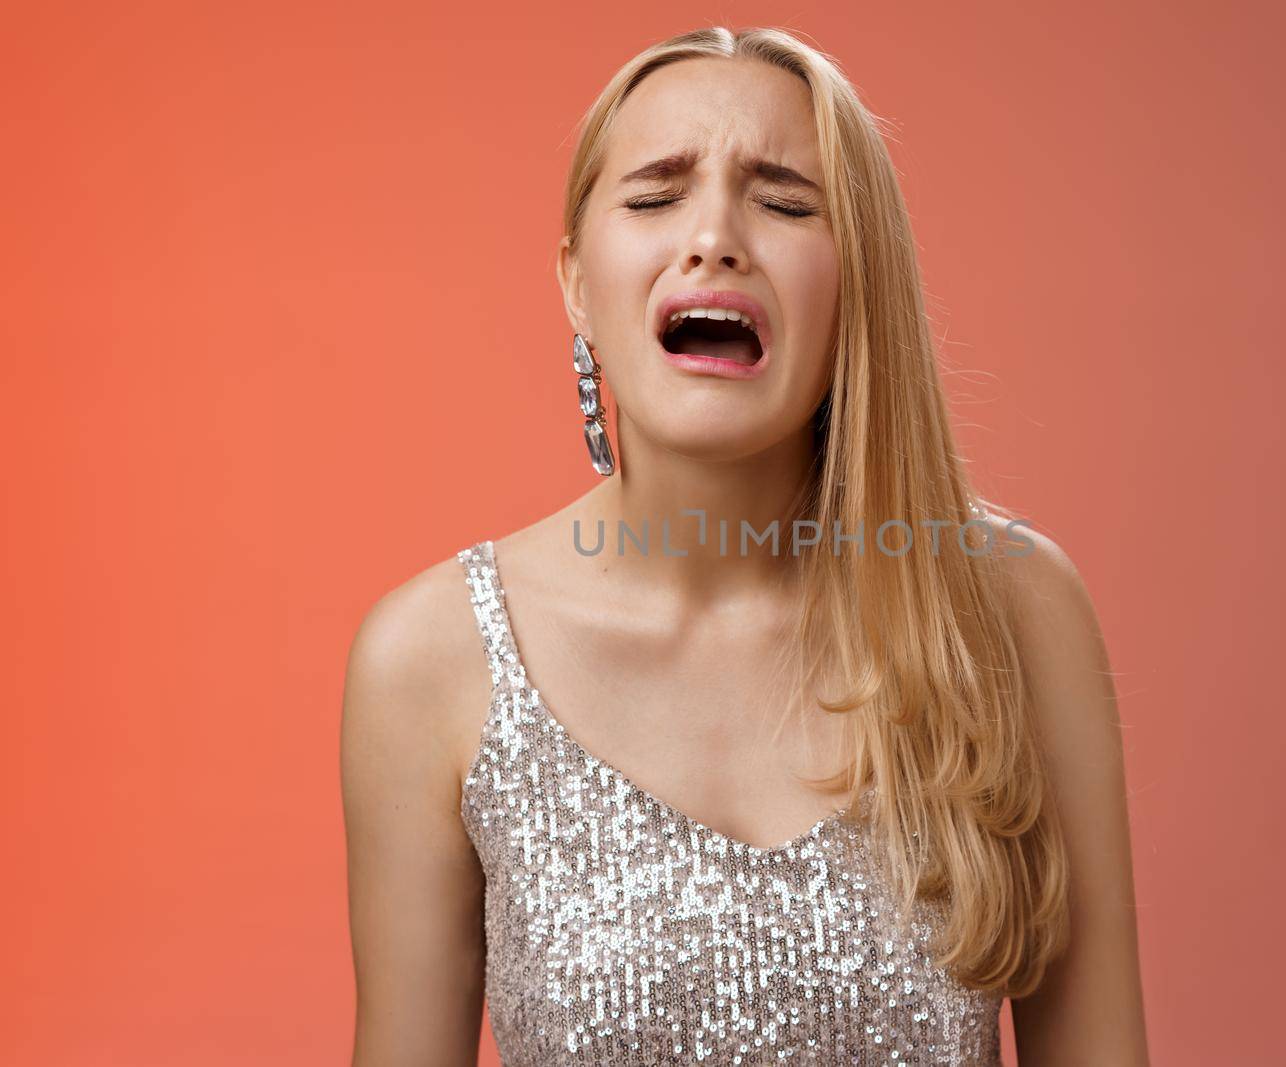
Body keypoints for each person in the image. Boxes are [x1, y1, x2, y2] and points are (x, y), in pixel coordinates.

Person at [341, 25, 1149, 1066]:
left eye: (782, 202)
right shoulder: (430, 659)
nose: (714, 235)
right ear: (578, 283)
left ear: (860, 280)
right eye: (652, 196)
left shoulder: (1013, 611)